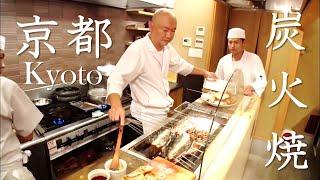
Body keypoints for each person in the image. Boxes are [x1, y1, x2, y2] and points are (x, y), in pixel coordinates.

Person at [106, 9, 215, 134]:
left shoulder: (167, 48)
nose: (169, 35)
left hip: (161, 115)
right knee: (146, 152)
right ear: (151, 26)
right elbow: (116, 78)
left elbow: (181, 65)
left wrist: (205, 73)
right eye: (165, 30)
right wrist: (116, 105)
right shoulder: (138, 49)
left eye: (173, 30)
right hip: (144, 119)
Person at [0, 35, 43, 180]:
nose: (3, 64)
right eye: (0, 57)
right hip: (9, 172)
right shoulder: (5, 86)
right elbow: (27, 135)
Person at [215, 28, 267, 96]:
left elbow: (261, 79)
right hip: (227, 98)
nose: (232, 46)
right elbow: (218, 80)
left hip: (246, 98)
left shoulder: (255, 59)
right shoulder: (223, 60)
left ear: (243, 43)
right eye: (230, 42)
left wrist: (252, 87)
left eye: (236, 42)